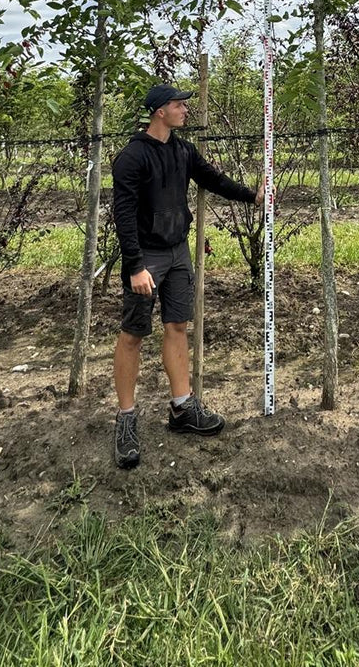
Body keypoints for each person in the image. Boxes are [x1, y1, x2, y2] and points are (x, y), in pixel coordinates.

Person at [111, 82, 263, 469]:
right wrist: (135, 266)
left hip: (178, 253)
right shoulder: (132, 157)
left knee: (177, 325)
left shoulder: (183, 151)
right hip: (146, 257)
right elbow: (124, 214)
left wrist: (253, 196)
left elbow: (212, 179)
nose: (185, 110)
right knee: (132, 335)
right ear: (160, 111)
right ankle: (126, 419)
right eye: (179, 105)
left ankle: (181, 409)